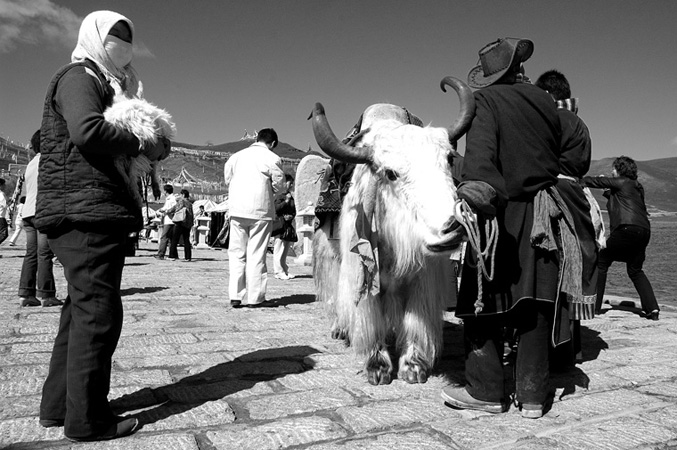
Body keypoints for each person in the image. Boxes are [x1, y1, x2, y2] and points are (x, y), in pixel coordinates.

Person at [35, 11, 170, 441]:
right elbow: (87, 130)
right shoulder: (80, 76)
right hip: (85, 214)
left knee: (79, 313)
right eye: (116, 35)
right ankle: (87, 419)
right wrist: (141, 141)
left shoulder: (105, 82)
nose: (124, 45)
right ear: (95, 37)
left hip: (87, 210)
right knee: (98, 315)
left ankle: (59, 407)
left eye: (129, 37)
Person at [440, 38, 570, 419]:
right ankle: (532, 396)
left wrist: (472, 196)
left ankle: (486, 391)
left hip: (501, 214)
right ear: (519, 68)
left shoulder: (483, 102)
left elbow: (481, 166)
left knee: (485, 305)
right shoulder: (545, 101)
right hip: (545, 212)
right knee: (535, 304)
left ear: (490, 75)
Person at [535, 69, 602, 364]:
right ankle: (571, 349)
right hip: (577, 194)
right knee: (573, 271)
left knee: (556, 271)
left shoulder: (553, 119)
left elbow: (539, 157)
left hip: (555, 193)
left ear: (548, 96)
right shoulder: (580, 122)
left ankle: (555, 352)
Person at [583, 156, 659, 320]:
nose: (612, 171)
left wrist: (578, 181)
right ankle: (652, 309)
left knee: (601, 260)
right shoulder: (637, 187)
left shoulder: (621, 181)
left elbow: (595, 182)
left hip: (627, 228)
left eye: (614, 169)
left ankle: (594, 307)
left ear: (620, 170)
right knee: (635, 270)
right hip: (644, 231)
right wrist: (608, 191)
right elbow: (620, 199)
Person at [224, 128, 285, 308]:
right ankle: (255, 297)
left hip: (237, 209)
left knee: (236, 253)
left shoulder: (235, 157)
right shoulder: (272, 158)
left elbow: (228, 179)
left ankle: (235, 295)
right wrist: (267, 191)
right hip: (260, 210)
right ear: (273, 143)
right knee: (256, 254)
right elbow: (280, 186)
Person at [18, 130, 63, 308]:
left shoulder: (31, 164)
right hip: (43, 211)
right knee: (45, 254)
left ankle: (26, 293)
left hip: (28, 213)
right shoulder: (49, 161)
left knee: (31, 254)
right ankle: (46, 294)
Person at [272, 174, 297, 280]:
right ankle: (278, 271)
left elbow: (294, 210)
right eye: (289, 183)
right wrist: (286, 201)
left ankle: (284, 269)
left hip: (287, 225)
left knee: (285, 250)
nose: (291, 185)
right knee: (279, 249)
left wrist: (291, 216)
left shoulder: (290, 196)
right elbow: (276, 209)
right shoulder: (279, 196)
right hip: (280, 225)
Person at [168, 189, 193, 261]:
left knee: (174, 239)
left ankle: (172, 256)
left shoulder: (182, 201)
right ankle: (188, 257)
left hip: (180, 222)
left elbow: (176, 208)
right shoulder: (190, 203)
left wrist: (168, 211)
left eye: (181, 194)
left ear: (183, 195)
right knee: (186, 240)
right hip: (188, 224)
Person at [155, 184, 178, 260]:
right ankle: (173, 254)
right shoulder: (168, 199)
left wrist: (165, 212)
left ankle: (161, 254)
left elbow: (173, 208)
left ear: (166, 191)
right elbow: (166, 207)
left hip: (170, 221)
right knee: (171, 239)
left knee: (164, 237)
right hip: (169, 220)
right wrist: (161, 209)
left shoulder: (172, 199)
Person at [0, 177, 8, 248]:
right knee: (4, 234)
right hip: (0, 217)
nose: (5, 186)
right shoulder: (1, 194)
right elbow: (5, 205)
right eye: (4, 185)